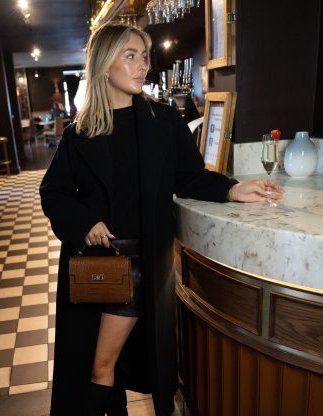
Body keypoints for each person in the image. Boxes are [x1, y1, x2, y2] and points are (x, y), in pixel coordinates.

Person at [39, 23, 283, 416]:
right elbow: (53, 193)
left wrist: (232, 188)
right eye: (130, 56)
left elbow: (189, 177)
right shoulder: (80, 133)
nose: (142, 67)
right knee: (98, 365)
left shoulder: (163, 122)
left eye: (145, 56)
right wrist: (85, 222)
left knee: (103, 364)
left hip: (142, 269)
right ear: (104, 64)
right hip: (95, 267)